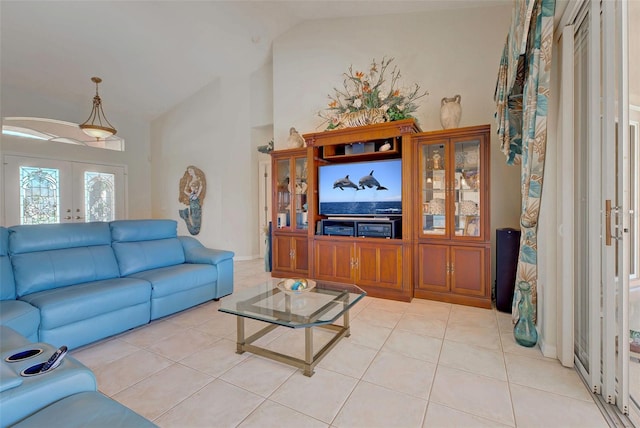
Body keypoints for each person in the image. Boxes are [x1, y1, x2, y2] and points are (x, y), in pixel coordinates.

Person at [179, 166, 206, 235]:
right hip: (192, 200)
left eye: (190, 170)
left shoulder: (198, 178)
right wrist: (190, 195)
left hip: (196, 200)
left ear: (194, 170)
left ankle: (185, 216)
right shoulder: (189, 180)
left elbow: (201, 186)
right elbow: (185, 190)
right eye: (188, 171)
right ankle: (185, 216)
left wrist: (197, 195)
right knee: (193, 215)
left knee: (196, 218)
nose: (189, 172)